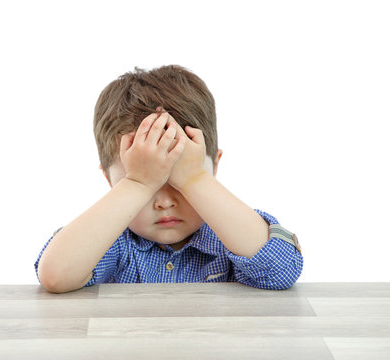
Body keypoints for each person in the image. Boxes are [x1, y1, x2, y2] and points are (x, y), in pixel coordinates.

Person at [34, 65, 303, 293]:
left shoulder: (233, 233)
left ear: (215, 166)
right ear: (111, 181)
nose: (164, 202)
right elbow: (57, 275)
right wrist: (138, 184)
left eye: (178, 180)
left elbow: (280, 271)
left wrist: (195, 179)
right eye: (145, 184)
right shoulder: (111, 241)